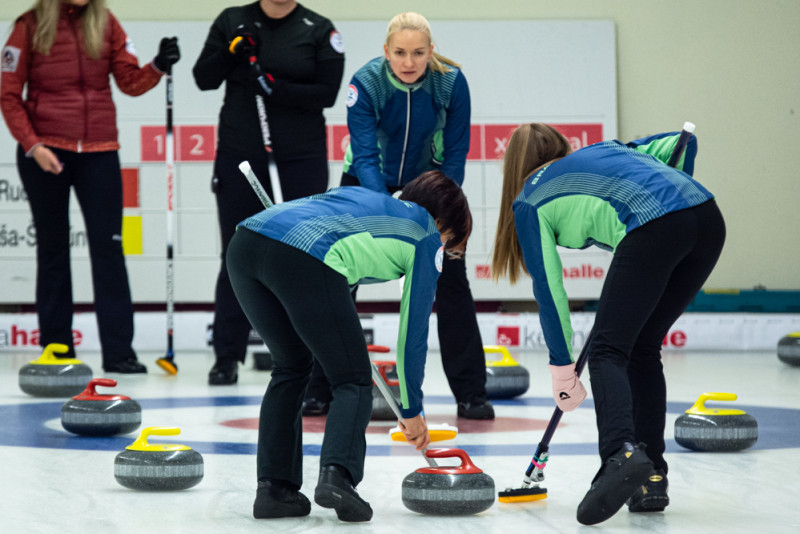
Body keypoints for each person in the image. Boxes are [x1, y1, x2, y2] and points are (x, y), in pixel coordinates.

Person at [491, 123, 726, 525]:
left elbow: (550, 290)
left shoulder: (528, 200)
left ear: (513, 168)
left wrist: (562, 370)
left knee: (606, 349)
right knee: (642, 347)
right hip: (707, 217)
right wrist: (672, 195)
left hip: (655, 226)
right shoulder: (606, 149)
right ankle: (651, 478)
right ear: (564, 147)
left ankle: (621, 453)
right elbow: (681, 141)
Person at [227, 170, 472, 521]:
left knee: (291, 366)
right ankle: (338, 477)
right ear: (442, 223)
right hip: (304, 253)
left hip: (246, 243)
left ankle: (274, 490)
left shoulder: (368, 202)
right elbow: (413, 332)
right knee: (353, 378)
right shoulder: (426, 233)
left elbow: (342, 272)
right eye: (450, 242)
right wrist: (412, 409)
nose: (444, 250)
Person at [302, 11, 493, 420]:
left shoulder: (451, 83)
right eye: (401, 53)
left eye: (419, 53)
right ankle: (316, 388)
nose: (409, 62)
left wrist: (437, 204)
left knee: (452, 281)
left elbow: (456, 156)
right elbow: (366, 156)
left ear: (431, 51)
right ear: (385, 51)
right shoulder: (366, 83)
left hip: (431, 184)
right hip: (366, 180)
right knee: (336, 282)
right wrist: (387, 211)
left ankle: (471, 393)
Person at [0, 0, 181, 373]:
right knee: (52, 249)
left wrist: (158, 66)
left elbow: (129, 83)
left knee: (109, 249)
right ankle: (57, 348)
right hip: (44, 152)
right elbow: (8, 93)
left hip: (99, 151)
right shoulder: (29, 24)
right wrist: (33, 146)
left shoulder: (107, 21)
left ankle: (119, 353)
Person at [192, 0, 344, 385]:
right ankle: (227, 355)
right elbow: (203, 78)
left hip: (299, 157)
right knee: (237, 252)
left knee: (303, 258)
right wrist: (232, 53)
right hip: (241, 154)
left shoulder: (318, 28)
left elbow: (326, 92)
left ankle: (309, 355)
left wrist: (276, 88)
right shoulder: (232, 20)